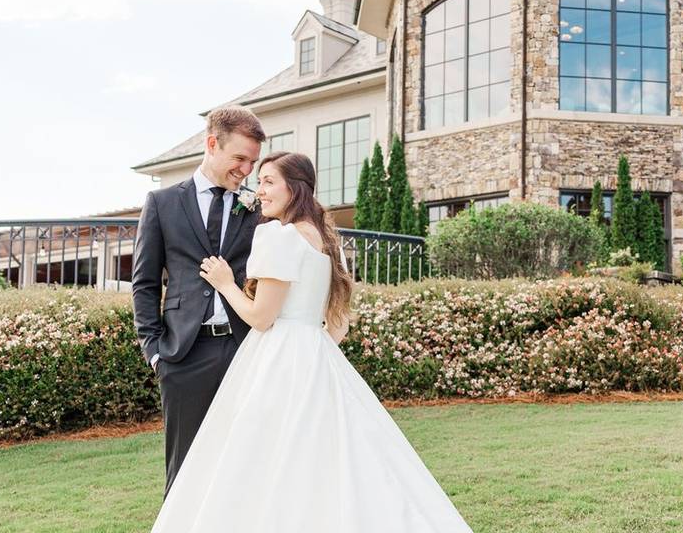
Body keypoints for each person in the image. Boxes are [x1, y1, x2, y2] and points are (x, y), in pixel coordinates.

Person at [150, 151, 473, 532]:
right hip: (316, 355)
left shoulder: (279, 237)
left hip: (277, 356)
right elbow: (338, 327)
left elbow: (260, 317)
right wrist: (310, 353)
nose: (260, 191)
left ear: (295, 188)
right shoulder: (324, 241)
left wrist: (225, 284)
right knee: (325, 457)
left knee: (262, 458)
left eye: (269, 181)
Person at [132, 106, 266, 497]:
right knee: (185, 472)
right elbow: (144, 282)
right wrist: (155, 351)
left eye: (253, 162)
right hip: (183, 355)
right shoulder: (161, 203)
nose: (246, 170)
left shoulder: (256, 209)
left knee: (246, 465)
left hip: (246, 349)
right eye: (239, 158)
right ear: (212, 144)